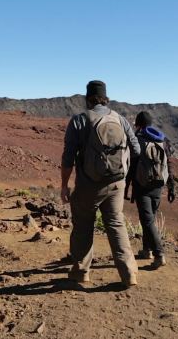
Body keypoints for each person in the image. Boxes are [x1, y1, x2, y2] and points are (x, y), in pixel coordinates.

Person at [60, 80, 141, 287]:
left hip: (89, 184)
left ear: (88, 98)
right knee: (116, 224)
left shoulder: (79, 120)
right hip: (117, 183)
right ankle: (129, 273)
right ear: (106, 98)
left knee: (83, 225)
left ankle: (81, 272)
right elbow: (136, 149)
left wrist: (64, 185)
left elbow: (68, 157)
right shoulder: (120, 119)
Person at [126, 111, 176, 268]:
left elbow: (131, 167)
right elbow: (169, 164)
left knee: (147, 220)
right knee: (149, 219)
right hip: (158, 185)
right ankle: (146, 250)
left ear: (138, 124)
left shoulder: (138, 141)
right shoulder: (162, 141)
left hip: (142, 186)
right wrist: (171, 187)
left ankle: (159, 254)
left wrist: (127, 188)